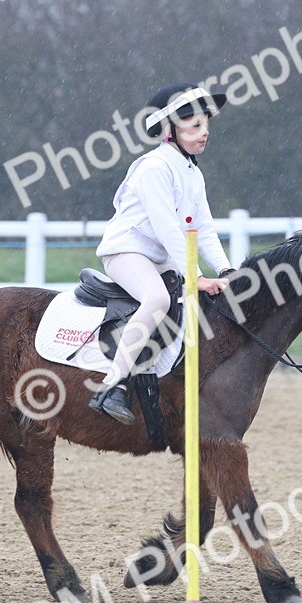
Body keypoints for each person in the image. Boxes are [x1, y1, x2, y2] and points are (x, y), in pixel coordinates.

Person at [88, 82, 237, 425]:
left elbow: (205, 230)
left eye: (206, 125)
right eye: (195, 125)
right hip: (127, 252)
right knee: (157, 300)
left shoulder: (192, 173)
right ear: (170, 129)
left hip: (161, 256)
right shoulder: (154, 167)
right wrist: (196, 276)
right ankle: (111, 387)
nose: (205, 133)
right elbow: (168, 228)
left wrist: (227, 270)